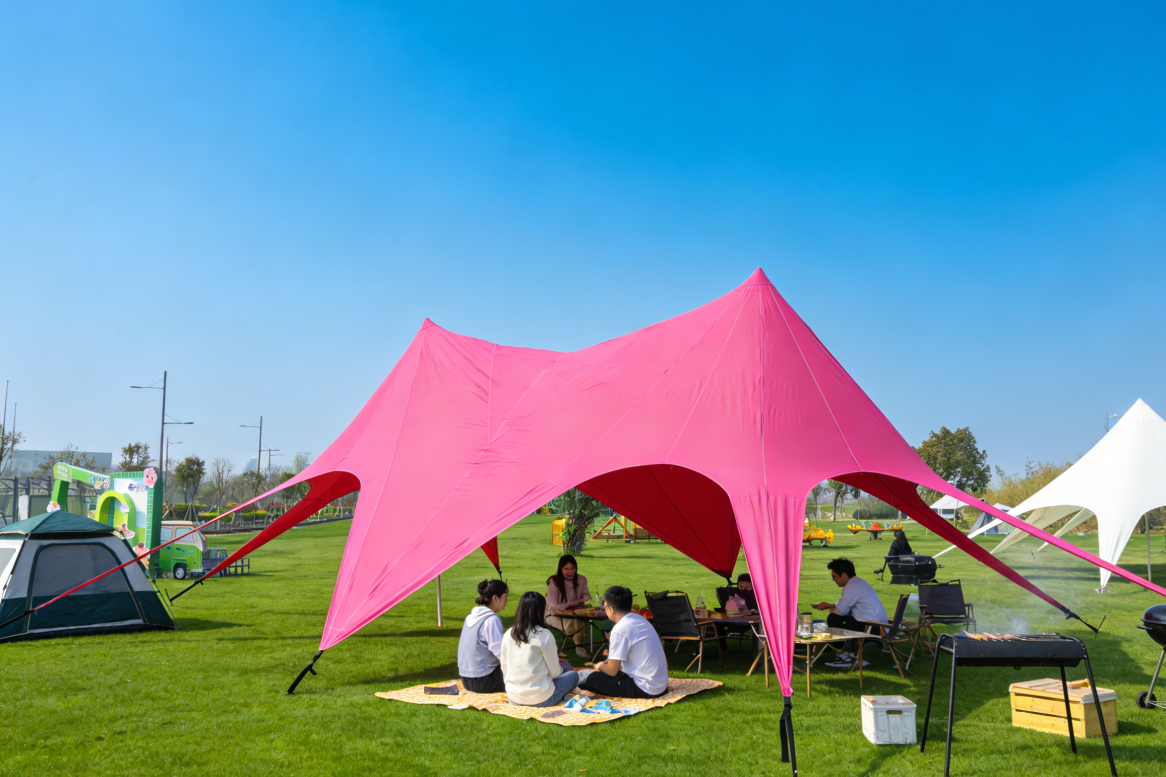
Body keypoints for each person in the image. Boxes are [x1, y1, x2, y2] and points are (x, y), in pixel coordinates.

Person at [578, 586, 669, 699]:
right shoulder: (640, 619)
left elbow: (612, 671)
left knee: (590, 678)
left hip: (644, 688)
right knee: (592, 675)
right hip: (661, 685)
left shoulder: (620, 629)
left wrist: (599, 665)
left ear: (610, 609)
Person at [499, 591, 580, 707]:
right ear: (540, 611)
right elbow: (555, 673)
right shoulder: (544, 635)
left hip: (513, 696)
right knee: (573, 676)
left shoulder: (508, 634)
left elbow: (504, 667)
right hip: (541, 698)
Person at [812, 558, 888, 668]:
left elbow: (839, 613)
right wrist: (828, 606)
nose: (833, 580)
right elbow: (843, 606)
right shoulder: (857, 583)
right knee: (840, 618)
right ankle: (840, 650)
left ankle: (838, 649)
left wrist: (831, 609)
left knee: (833, 619)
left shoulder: (851, 587)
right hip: (879, 625)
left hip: (873, 628)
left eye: (834, 576)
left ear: (844, 575)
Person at [457, 579, 509, 694]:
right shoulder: (491, 619)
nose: (507, 600)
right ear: (495, 598)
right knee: (521, 674)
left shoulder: (470, 617)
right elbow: (501, 652)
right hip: (484, 680)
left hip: (466, 679)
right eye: (505, 596)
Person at [544, 554, 592, 659]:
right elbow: (553, 606)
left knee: (587, 620)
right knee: (579, 621)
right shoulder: (554, 581)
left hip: (575, 613)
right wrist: (571, 603)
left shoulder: (582, 579)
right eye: (566, 569)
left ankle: (583, 646)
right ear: (560, 568)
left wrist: (585, 596)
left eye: (572, 568)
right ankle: (579, 647)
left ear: (576, 568)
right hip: (555, 615)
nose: (570, 572)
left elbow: (586, 595)